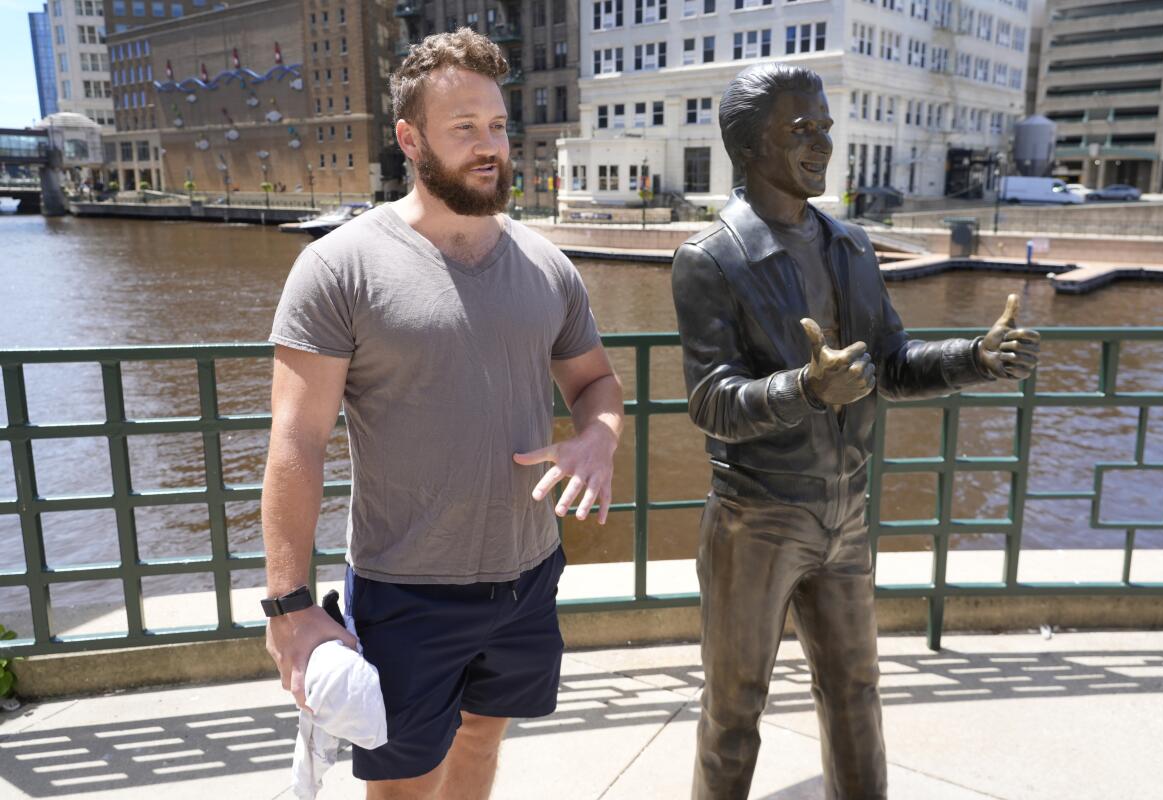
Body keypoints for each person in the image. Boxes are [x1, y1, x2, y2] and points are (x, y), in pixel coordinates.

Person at [261, 28, 623, 800]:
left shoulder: (547, 265)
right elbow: (296, 441)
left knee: (483, 747)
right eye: (464, 129)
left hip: (529, 578)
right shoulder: (338, 267)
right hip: (406, 589)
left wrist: (599, 438)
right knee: (403, 787)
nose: (489, 146)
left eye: (497, 126)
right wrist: (290, 608)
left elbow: (595, 381)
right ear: (410, 139)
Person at [671, 64, 1040, 800]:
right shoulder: (710, 259)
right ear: (749, 146)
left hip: (846, 515)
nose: (821, 142)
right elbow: (712, 402)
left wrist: (973, 358)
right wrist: (806, 388)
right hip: (757, 521)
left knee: (856, 692)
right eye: (799, 129)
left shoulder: (851, 244)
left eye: (825, 126)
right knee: (734, 710)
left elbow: (893, 363)